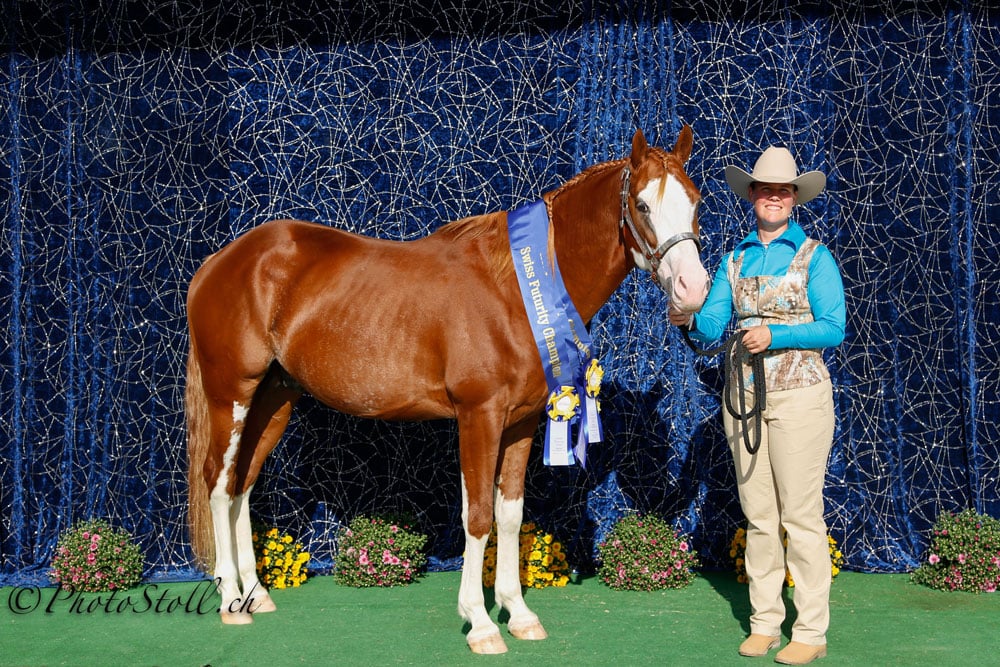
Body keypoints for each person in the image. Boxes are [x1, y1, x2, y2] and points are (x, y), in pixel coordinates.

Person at [669, 146, 845, 665]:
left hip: (800, 399)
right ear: (752, 195)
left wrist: (777, 334)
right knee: (761, 517)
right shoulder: (734, 260)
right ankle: (766, 621)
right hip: (742, 398)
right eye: (765, 188)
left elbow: (834, 328)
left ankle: (810, 629)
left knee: (802, 517)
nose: (774, 195)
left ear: (794, 198)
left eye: (783, 189)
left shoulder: (816, 256)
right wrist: (687, 317)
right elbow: (712, 324)